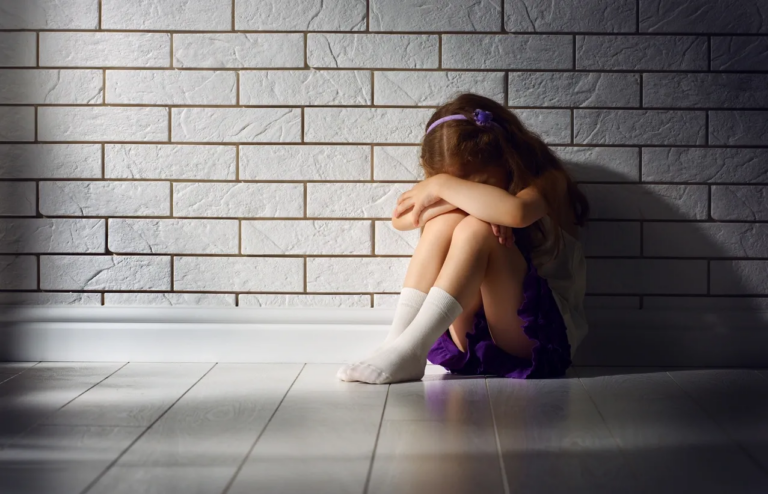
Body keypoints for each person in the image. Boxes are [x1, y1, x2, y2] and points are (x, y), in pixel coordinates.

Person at [336, 93, 590, 384]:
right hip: (474, 335)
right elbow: (401, 220)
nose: (463, 192)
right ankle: (399, 341)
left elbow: (516, 212)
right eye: (453, 184)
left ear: (508, 160)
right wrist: (450, 197)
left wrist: (442, 186)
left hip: (540, 339)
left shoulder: (547, 182)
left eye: (478, 184)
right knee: (445, 222)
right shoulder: (455, 193)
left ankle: (411, 348)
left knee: (476, 228)